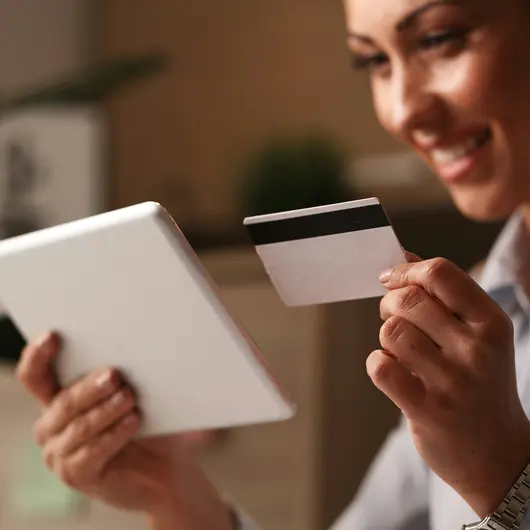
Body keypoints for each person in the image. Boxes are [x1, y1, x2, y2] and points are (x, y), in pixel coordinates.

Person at [14, 0, 530, 528]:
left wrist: (503, 476)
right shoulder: (491, 305)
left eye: (439, 39)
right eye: (373, 61)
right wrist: (170, 489)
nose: (402, 111)